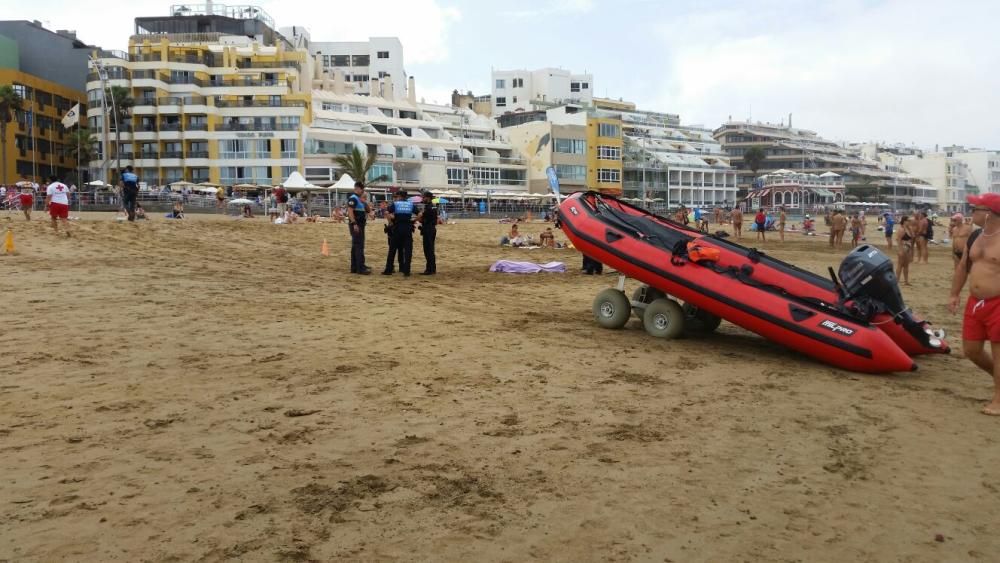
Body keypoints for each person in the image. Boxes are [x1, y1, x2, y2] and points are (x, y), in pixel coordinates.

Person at [948, 193, 1000, 415]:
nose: (971, 213)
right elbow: (962, 267)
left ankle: (998, 400)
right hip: (975, 303)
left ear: (988, 214)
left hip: (998, 303)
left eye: (975, 209)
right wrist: (954, 294)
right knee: (971, 350)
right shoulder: (976, 236)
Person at [384, 190, 414, 276]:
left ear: (400, 196)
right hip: (407, 228)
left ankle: (389, 269)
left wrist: (390, 222)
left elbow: (386, 212)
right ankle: (406, 270)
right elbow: (419, 214)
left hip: (397, 228)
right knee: (408, 250)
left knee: (392, 249)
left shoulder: (396, 204)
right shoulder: (410, 204)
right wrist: (413, 221)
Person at [347, 181, 371, 274]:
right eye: (362, 190)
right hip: (356, 224)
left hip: (360, 224)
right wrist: (354, 223)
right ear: (359, 189)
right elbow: (350, 211)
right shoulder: (353, 198)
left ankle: (355, 267)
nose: (363, 192)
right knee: (359, 246)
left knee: (356, 246)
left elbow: (368, 210)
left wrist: (364, 202)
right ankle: (360, 268)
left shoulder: (359, 199)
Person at [417, 190, 438, 275]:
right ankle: (432, 268)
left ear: (428, 198)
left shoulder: (428, 207)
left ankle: (429, 269)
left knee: (428, 249)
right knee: (431, 249)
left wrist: (419, 217)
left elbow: (422, 218)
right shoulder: (433, 206)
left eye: (424, 197)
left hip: (428, 228)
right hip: (432, 228)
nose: (423, 198)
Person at [895, 215, 915, 285]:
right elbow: (898, 240)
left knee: (906, 265)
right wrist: (900, 250)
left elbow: (912, 237)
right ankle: (897, 280)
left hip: (908, 248)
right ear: (904, 221)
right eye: (908, 221)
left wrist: (910, 229)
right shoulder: (901, 229)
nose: (910, 222)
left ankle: (906, 281)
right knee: (900, 265)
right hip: (903, 248)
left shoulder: (908, 229)